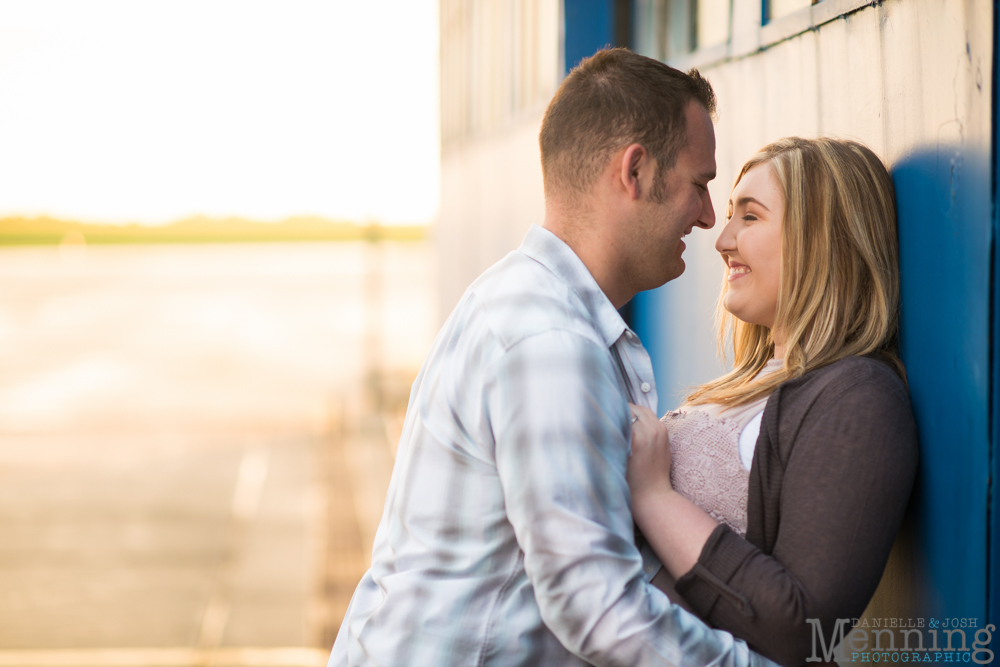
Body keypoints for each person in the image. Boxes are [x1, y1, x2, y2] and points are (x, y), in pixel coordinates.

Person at [328, 48, 779, 667]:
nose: (707, 217)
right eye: (699, 185)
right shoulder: (549, 340)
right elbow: (594, 607)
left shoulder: (529, 305)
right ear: (636, 172)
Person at [626, 137, 919, 666]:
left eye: (750, 217)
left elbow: (802, 627)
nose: (723, 239)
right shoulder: (753, 383)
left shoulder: (859, 397)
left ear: (821, 241)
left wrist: (654, 499)